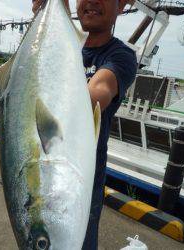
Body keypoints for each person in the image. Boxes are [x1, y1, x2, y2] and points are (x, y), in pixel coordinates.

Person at [32, 0, 137, 249]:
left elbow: (96, 94)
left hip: (81, 183)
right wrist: (48, 13)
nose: (90, 1)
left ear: (121, 6)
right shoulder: (58, 44)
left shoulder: (121, 56)